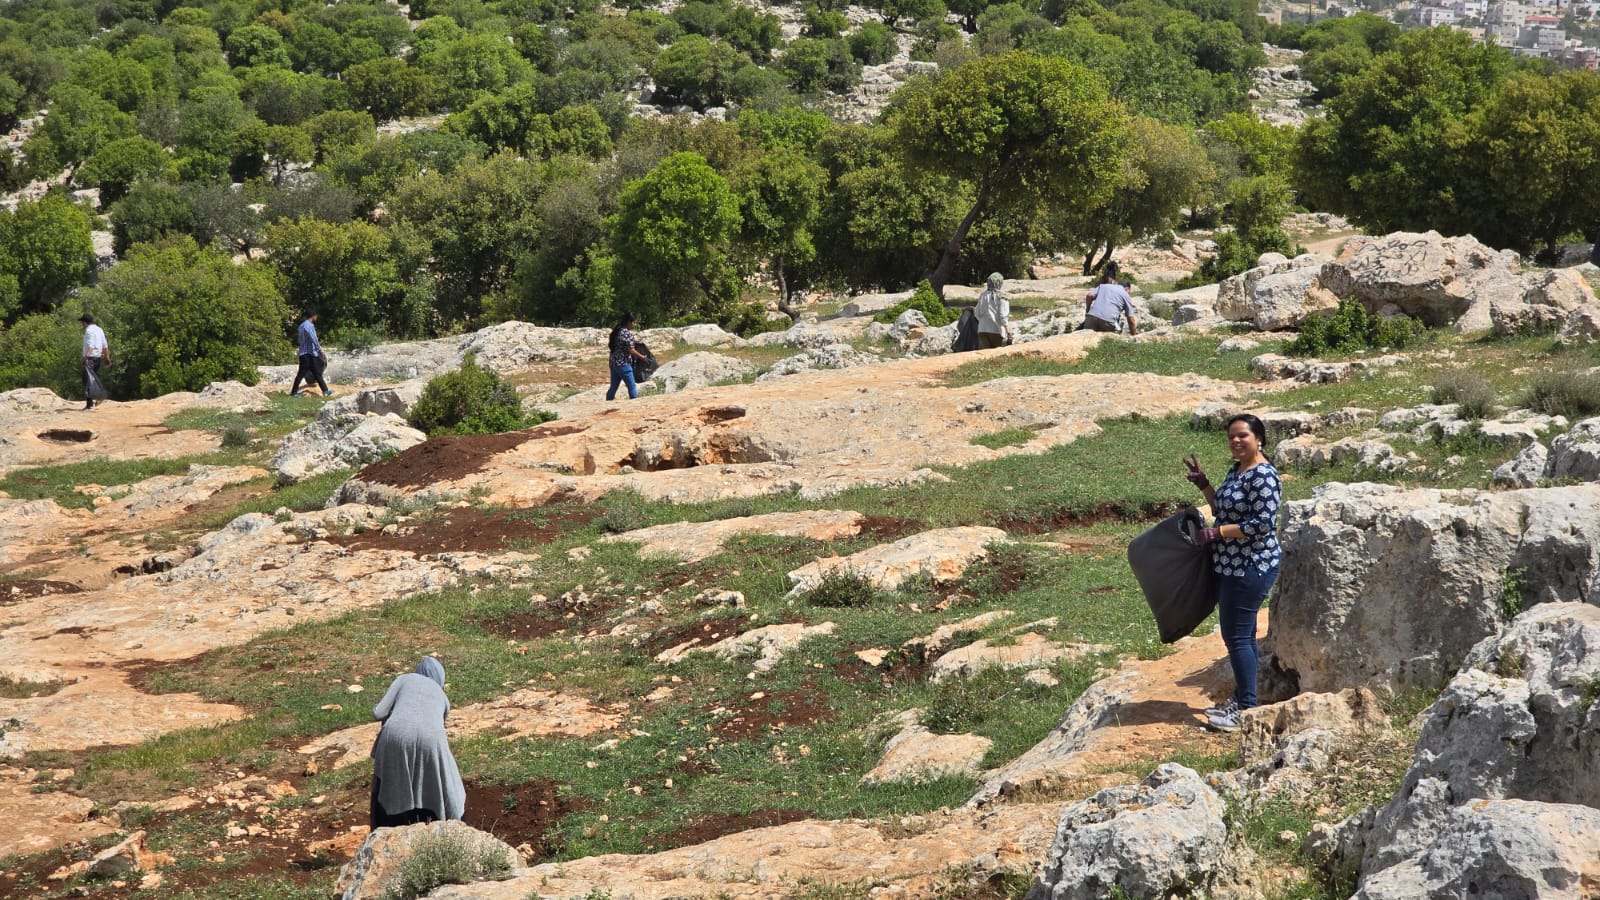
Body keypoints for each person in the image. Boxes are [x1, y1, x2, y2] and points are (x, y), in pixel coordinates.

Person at [1183, 413, 1282, 733]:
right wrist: (1205, 485)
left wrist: (1218, 533)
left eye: (1243, 436)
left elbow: (1262, 525)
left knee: (1236, 636)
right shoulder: (1238, 470)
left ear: (1259, 438)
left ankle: (1245, 709)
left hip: (1252, 566)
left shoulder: (1264, 476)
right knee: (1242, 635)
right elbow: (1223, 509)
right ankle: (1243, 698)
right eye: (1231, 437)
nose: (1236, 441)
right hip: (1231, 565)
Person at [370, 657, 466, 828]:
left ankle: (386, 829)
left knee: (388, 782)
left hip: (395, 736)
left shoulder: (405, 679)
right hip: (432, 741)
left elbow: (378, 712)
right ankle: (449, 823)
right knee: (437, 779)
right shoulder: (444, 698)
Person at [606, 311, 650, 401]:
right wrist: (642, 357)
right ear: (629, 322)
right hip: (623, 363)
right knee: (631, 385)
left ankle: (608, 402)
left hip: (614, 362)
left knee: (614, 386)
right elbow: (631, 350)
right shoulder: (627, 333)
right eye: (634, 322)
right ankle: (633, 405)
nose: (635, 324)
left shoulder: (617, 331)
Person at [1080, 271, 1138, 335]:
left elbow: (1089, 295)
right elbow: (1131, 320)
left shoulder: (1104, 286)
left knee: (1085, 339)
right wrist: (1134, 336)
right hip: (1108, 321)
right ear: (1127, 288)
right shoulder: (1125, 295)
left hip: (1092, 317)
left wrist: (1088, 310)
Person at [290, 311, 333, 397]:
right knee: (301, 373)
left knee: (317, 373)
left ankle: (325, 390)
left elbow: (299, 340)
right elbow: (313, 338)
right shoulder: (309, 326)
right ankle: (293, 392)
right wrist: (319, 349)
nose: (316, 318)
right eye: (316, 316)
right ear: (313, 316)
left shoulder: (301, 326)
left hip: (303, 352)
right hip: (308, 353)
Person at [78, 314, 109, 411]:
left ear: (85, 322)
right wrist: (107, 357)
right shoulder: (99, 329)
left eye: (82, 322)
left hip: (91, 358)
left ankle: (90, 404)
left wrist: (87, 357)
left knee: (87, 380)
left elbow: (91, 345)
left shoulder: (88, 331)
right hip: (98, 358)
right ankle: (98, 397)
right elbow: (105, 345)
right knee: (93, 379)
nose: (82, 324)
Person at [974, 272, 1013, 349]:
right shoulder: (1002, 297)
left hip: (982, 330)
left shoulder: (983, 295)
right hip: (996, 331)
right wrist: (1008, 331)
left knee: (985, 356)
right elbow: (1003, 316)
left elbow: (977, 313)